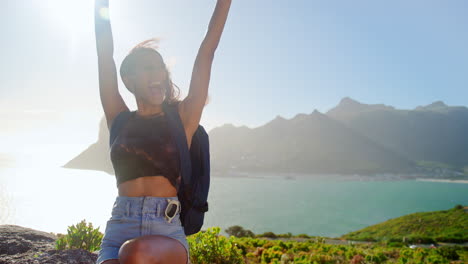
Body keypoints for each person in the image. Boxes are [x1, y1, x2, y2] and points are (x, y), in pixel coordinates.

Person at [94, 1, 231, 263]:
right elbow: (104, 53)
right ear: (128, 79)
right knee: (123, 254)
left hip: (165, 232)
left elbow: (207, 51)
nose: (158, 73)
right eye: (148, 68)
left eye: (160, 67)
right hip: (119, 227)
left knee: (134, 253)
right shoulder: (119, 118)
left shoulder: (184, 118)